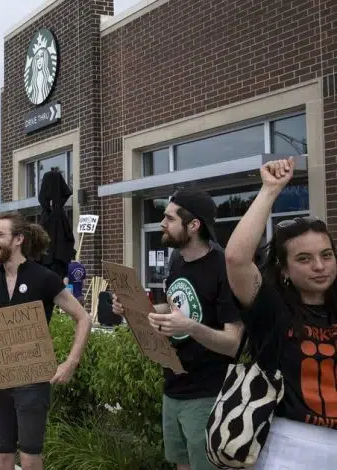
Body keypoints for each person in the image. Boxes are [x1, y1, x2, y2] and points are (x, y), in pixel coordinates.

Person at [112, 188, 244, 470]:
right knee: (180, 464)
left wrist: (190, 327)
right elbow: (175, 310)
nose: (162, 223)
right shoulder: (177, 261)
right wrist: (133, 308)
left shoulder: (224, 268)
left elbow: (233, 342)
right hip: (173, 385)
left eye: (169, 218)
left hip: (208, 393)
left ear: (193, 225)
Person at [0, 212, 92, 470]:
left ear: (18, 239)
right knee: (1, 457)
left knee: (28, 458)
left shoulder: (43, 278)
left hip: (33, 380)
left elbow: (83, 318)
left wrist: (70, 362)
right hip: (0, 380)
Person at [225, 157, 336, 468]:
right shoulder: (273, 310)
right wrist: (270, 191)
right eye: (304, 258)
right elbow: (236, 258)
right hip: (292, 447)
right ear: (284, 270)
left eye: (326, 255)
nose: (319, 266)